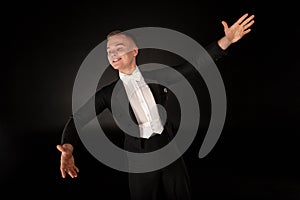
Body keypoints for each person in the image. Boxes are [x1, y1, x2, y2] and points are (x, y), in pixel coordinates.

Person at [56, 13, 255, 200]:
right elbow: (78, 118)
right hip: (139, 157)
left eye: (119, 47)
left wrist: (226, 40)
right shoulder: (107, 94)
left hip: (168, 147)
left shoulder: (158, 76)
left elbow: (194, 65)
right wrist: (68, 148)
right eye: (109, 51)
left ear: (134, 51)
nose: (113, 53)